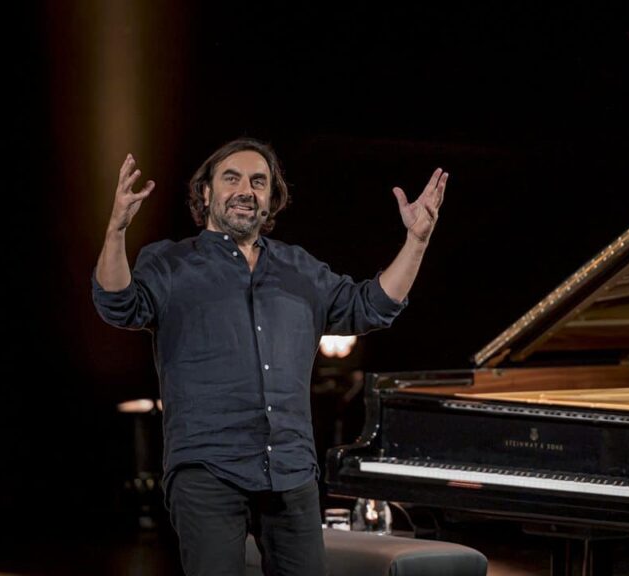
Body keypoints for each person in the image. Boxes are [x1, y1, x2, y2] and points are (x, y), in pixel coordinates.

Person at [92, 137, 447, 575]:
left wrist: (416, 241)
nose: (246, 189)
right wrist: (116, 230)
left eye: (258, 181)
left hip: (290, 468)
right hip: (208, 466)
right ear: (206, 193)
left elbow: (370, 305)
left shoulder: (300, 268)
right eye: (232, 178)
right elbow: (118, 304)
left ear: (270, 198)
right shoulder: (171, 263)